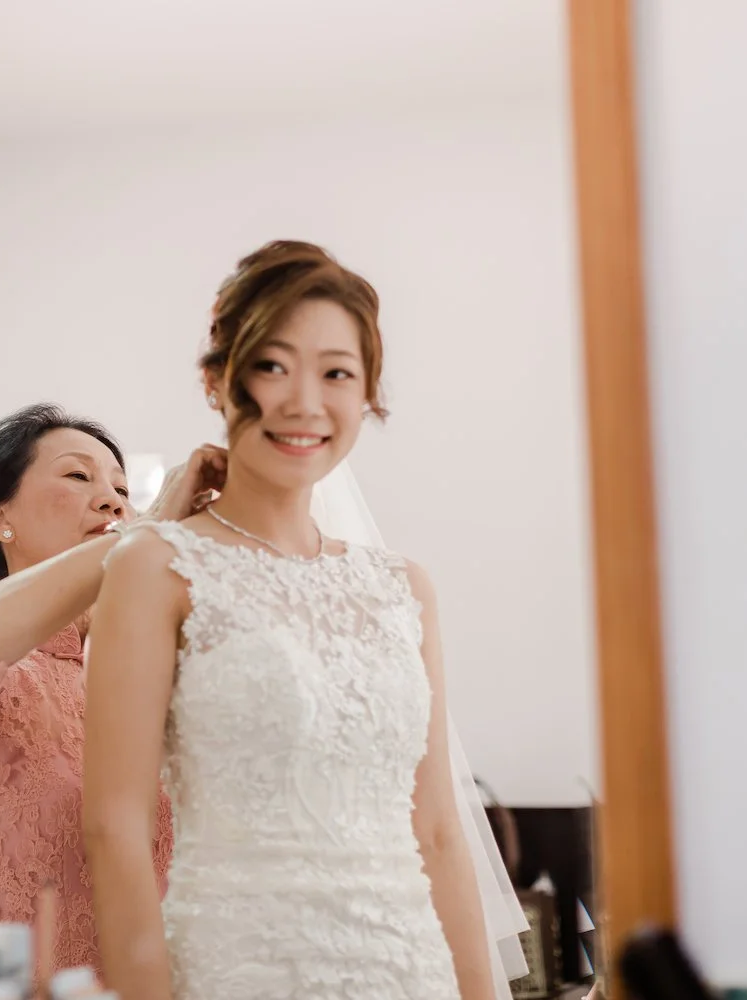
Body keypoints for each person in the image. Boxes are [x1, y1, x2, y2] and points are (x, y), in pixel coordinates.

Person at [83, 241, 504, 1000]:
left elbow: (439, 831)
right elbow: (116, 828)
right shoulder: (156, 567)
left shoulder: (403, 587)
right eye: (273, 366)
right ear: (217, 380)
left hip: (411, 974)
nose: (305, 401)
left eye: (336, 373)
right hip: (241, 972)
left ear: (367, 393)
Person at [0, 403, 225, 973]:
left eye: (122, 489)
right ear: (1, 518)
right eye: (78, 475)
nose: (112, 501)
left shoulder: (154, 671)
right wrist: (144, 532)